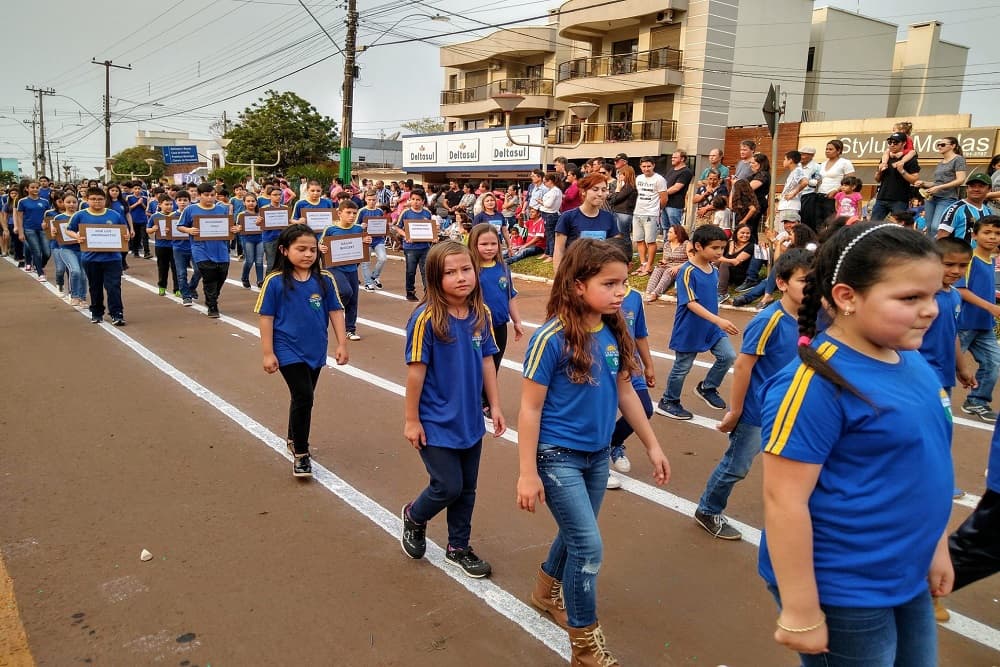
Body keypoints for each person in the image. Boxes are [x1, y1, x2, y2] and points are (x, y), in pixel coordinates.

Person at [758, 224, 953, 665]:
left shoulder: (913, 360)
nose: (930, 311)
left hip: (906, 568)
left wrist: (937, 545)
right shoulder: (815, 383)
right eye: (910, 298)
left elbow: (926, 467)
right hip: (846, 585)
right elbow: (784, 500)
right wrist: (801, 609)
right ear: (847, 297)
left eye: (934, 294)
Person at [516, 239, 670, 665]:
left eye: (624, 283)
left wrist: (652, 444)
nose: (621, 292)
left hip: (597, 456)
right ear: (578, 285)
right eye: (609, 283)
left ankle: (545, 591)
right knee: (587, 548)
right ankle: (585, 647)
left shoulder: (613, 329)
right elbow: (529, 409)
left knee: (576, 534)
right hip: (557, 457)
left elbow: (626, 392)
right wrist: (527, 472)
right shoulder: (550, 338)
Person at [400, 241, 506, 578]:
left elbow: (488, 361)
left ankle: (458, 547)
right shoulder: (426, 318)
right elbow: (416, 372)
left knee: (467, 488)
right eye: (450, 272)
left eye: (466, 269)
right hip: (434, 420)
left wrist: (495, 405)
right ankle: (414, 516)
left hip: (470, 418)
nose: (461, 277)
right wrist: (412, 420)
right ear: (435, 277)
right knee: (447, 486)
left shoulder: (481, 313)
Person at [695, 249, 812, 540]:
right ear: (782, 283)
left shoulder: (814, 319)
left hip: (794, 407)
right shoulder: (769, 320)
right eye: (804, 281)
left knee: (797, 463)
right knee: (737, 465)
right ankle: (708, 510)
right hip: (759, 410)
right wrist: (735, 412)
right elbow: (743, 366)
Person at [256, 224, 348, 478]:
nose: (308, 254)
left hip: (315, 348)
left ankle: (292, 436)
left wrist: (342, 343)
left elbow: (335, 311)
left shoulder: (325, 279)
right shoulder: (275, 281)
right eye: (301, 249)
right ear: (284, 251)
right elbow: (266, 317)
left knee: (302, 397)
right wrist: (268, 352)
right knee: (304, 396)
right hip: (286, 348)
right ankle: (301, 453)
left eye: (312, 249)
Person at [655, 225, 739, 420]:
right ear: (699, 246)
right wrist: (718, 320)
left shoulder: (713, 270)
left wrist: (716, 321)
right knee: (682, 367)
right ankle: (669, 401)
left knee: (728, 356)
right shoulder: (687, 271)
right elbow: (690, 303)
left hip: (711, 327)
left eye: (722, 248)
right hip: (690, 329)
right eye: (715, 248)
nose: (719, 252)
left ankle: (707, 387)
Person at [920, 236, 977, 500]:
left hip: (943, 376)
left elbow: (952, 335)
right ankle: (930, 481)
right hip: (922, 374)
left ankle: (936, 479)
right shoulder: (924, 296)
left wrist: (962, 368)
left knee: (942, 428)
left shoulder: (954, 295)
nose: (955, 270)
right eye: (949, 264)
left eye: (962, 265)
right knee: (927, 429)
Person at [606, 272, 657, 489]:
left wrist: (648, 365)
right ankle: (599, 466)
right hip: (604, 365)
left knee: (645, 409)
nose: (618, 291)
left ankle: (614, 442)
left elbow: (640, 334)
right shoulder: (599, 297)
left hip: (630, 366)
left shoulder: (634, 297)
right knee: (602, 415)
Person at [468, 223, 524, 412]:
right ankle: (474, 399)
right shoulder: (471, 269)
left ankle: (485, 401)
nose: (489, 248)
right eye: (484, 244)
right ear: (474, 244)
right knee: (477, 363)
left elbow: (510, 296)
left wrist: (517, 321)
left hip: (499, 326)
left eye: (493, 243)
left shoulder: (503, 268)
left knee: (494, 363)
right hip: (477, 326)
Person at [955, 215, 1000, 423]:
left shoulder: (991, 260)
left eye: (997, 233)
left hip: (984, 325)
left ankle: (976, 401)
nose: (992, 237)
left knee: (993, 363)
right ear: (974, 235)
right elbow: (960, 289)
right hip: (964, 324)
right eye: (987, 232)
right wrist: (990, 307)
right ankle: (922, 396)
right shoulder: (970, 259)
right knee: (945, 363)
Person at [67, 187, 129, 326]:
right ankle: (96, 312)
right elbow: (69, 230)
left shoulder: (114, 215)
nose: (97, 202)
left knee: (114, 286)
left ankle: (117, 313)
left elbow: (124, 230)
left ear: (105, 200)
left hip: (113, 258)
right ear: (87, 200)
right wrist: (77, 236)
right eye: (93, 199)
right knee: (95, 287)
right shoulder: (80, 215)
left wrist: (126, 236)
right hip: (90, 258)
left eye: (100, 199)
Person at [177, 182, 239, 318]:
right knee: (209, 276)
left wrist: (235, 229)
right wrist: (189, 230)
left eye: (212, 195)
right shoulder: (190, 209)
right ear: (199, 195)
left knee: (222, 275)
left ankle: (212, 297)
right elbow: (180, 226)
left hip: (221, 249)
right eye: (206, 195)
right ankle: (212, 306)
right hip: (200, 249)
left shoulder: (221, 209)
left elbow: (230, 226)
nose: (210, 198)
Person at [552, 173, 619, 271]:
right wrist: (559, 275)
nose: (600, 194)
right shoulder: (567, 217)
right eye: (595, 189)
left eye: (604, 190)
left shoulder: (609, 217)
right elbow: (559, 250)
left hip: (601, 274)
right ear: (583, 191)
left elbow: (615, 248)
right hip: (574, 273)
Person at [319, 199, 364, 341]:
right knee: (346, 291)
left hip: (352, 267)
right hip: (334, 267)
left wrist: (366, 241)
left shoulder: (358, 229)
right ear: (339, 213)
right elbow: (320, 244)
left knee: (353, 299)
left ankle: (350, 329)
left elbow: (362, 246)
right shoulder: (330, 229)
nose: (352, 216)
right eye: (348, 212)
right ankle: (331, 308)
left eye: (354, 213)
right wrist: (321, 247)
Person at [915, 136, 967, 237]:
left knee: (936, 227)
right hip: (932, 198)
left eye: (942, 145)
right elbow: (937, 183)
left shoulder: (958, 159)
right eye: (938, 144)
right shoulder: (941, 162)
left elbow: (961, 179)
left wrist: (939, 187)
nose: (939, 146)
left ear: (953, 146)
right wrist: (923, 183)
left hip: (947, 198)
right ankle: (930, 247)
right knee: (928, 227)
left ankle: (939, 247)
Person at [872, 133, 922, 221]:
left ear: (903, 143)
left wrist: (902, 171)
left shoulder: (910, 159)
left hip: (900, 200)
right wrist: (879, 171)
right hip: (881, 198)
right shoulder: (885, 158)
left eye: (895, 142)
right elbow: (877, 179)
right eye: (890, 142)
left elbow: (915, 180)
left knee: (898, 225)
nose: (892, 145)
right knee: (873, 224)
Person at [632, 156, 668, 276]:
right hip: (638, 212)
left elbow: (664, 198)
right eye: (644, 166)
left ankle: (649, 266)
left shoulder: (659, 179)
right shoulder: (639, 178)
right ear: (640, 167)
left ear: (653, 166)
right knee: (639, 240)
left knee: (650, 241)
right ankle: (643, 264)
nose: (646, 169)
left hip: (651, 214)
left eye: (648, 166)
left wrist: (657, 210)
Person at [397, 189, 435, 302]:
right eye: (413, 199)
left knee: (426, 271)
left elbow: (431, 228)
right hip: (410, 248)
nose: (415, 202)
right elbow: (397, 227)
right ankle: (410, 292)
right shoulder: (406, 213)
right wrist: (406, 235)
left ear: (423, 201)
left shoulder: (427, 213)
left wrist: (434, 236)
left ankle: (428, 294)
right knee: (411, 271)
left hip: (425, 247)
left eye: (418, 200)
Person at [936, 173, 995, 242]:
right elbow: (942, 237)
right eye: (972, 186)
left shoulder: (988, 210)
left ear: (989, 189)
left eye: (981, 186)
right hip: (959, 249)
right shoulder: (955, 209)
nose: (976, 189)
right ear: (967, 189)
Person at [52, 193, 87, 307]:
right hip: (66, 249)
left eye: (74, 202)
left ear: (78, 203)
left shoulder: (82, 215)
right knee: (75, 271)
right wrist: (54, 232)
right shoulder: (58, 218)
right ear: (63, 203)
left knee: (83, 274)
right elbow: (54, 236)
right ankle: (74, 295)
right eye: (68, 202)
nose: (71, 204)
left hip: (82, 249)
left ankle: (82, 298)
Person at [14, 180, 52, 281]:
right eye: (32, 187)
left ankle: (39, 265)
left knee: (47, 252)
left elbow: (48, 216)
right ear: (27, 189)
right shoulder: (22, 201)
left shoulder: (45, 201)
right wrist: (21, 232)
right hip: (29, 229)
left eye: (37, 187)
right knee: (36, 251)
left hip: (43, 229)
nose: (35, 189)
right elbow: (19, 218)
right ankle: (40, 273)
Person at [644, 224, 690, 303]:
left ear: (677, 234)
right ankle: (648, 291)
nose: (667, 234)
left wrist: (677, 267)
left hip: (680, 267)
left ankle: (655, 293)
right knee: (657, 269)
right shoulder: (667, 244)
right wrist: (662, 263)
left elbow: (692, 260)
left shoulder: (686, 244)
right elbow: (664, 259)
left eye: (670, 232)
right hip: (668, 266)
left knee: (668, 272)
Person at [171, 190, 200, 306]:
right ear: (176, 202)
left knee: (199, 270)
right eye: (180, 200)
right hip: (178, 247)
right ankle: (186, 296)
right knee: (181, 273)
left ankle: (191, 287)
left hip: (194, 246)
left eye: (185, 200)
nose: (182, 202)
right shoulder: (171, 217)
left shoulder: (194, 214)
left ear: (189, 201)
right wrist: (166, 231)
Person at [816, 140, 856, 225]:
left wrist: (836, 190)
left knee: (832, 221)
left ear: (838, 151)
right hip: (820, 195)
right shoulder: (822, 164)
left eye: (830, 149)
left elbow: (850, 181)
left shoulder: (845, 163)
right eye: (826, 149)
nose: (827, 151)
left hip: (835, 197)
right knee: (819, 222)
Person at [147, 195, 180, 298]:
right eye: (166, 204)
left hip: (175, 246)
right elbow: (148, 230)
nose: (169, 206)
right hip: (161, 246)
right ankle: (162, 287)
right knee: (162, 267)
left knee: (176, 268)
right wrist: (153, 229)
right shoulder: (155, 216)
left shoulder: (176, 215)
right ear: (160, 205)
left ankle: (177, 289)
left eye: (171, 204)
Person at [358, 191, 387, 291]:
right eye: (369, 200)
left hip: (378, 239)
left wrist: (386, 227)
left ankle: (374, 276)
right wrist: (360, 226)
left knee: (383, 258)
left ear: (377, 199)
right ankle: (368, 283)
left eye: (374, 200)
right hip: (365, 240)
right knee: (365, 262)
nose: (371, 202)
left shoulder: (379, 211)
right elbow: (355, 225)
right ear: (365, 199)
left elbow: (382, 223)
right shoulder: (361, 211)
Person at [716, 224, 753, 302]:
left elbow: (736, 262)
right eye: (742, 233)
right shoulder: (729, 243)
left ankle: (722, 293)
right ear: (736, 233)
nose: (745, 235)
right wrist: (730, 251)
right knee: (715, 263)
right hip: (726, 272)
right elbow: (717, 255)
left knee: (724, 263)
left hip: (740, 275)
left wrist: (723, 258)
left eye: (748, 233)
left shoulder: (751, 246)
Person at [662, 149, 693, 231]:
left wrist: (662, 194)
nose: (672, 159)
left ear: (682, 159)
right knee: (665, 228)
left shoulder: (686, 172)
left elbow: (676, 188)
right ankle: (666, 240)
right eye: (672, 157)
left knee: (675, 229)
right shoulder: (671, 170)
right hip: (665, 203)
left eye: (675, 157)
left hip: (675, 205)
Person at [776, 151, 808, 223]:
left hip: (790, 205)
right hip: (786, 205)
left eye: (785, 159)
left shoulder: (798, 170)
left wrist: (793, 193)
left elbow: (805, 182)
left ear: (790, 160)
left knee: (788, 228)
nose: (783, 161)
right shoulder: (793, 172)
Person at [607, 164, 637, 239]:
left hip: (623, 213)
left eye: (620, 174)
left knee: (623, 237)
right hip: (619, 212)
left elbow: (614, 200)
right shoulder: (625, 186)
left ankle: (626, 247)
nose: (618, 176)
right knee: (619, 236)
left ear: (626, 175)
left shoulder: (629, 186)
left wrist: (617, 189)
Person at [539, 173, 563, 261]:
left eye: (545, 182)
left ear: (550, 181)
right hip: (549, 214)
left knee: (551, 235)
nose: (544, 184)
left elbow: (549, 204)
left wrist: (541, 202)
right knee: (548, 234)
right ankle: (547, 252)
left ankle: (551, 255)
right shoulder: (554, 190)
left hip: (550, 214)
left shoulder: (554, 191)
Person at [797, 147, 822, 231]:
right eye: (800, 154)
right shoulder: (797, 166)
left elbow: (817, 182)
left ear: (811, 155)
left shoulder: (817, 167)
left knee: (807, 221)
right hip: (796, 196)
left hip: (809, 196)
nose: (801, 156)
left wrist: (805, 181)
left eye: (803, 154)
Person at [127, 183, 150, 259]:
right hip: (133, 220)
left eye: (139, 189)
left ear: (141, 189)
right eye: (135, 188)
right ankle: (136, 252)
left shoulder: (145, 198)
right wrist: (137, 203)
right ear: (132, 189)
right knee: (135, 237)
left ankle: (147, 252)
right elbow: (128, 208)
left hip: (143, 220)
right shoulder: (129, 197)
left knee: (144, 236)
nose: (137, 190)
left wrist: (142, 203)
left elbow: (147, 209)